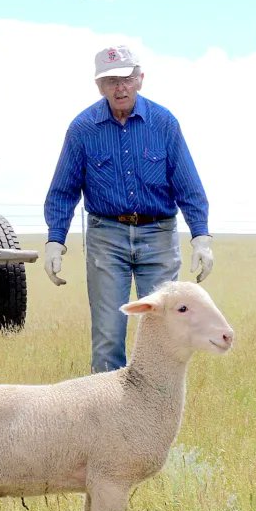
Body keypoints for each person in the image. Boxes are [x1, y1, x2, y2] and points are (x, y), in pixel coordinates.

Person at [43, 45, 213, 372]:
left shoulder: (164, 124)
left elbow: (188, 185)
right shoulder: (82, 129)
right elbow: (63, 190)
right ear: (99, 86)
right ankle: (106, 419)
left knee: (162, 330)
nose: (120, 88)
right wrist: (55, 239)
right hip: (106, 237)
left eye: (126, 79)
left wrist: (201, 236)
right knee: (108, 333)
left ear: (140, 80)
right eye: (110, 81)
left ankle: (156, 414)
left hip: (159, 236)